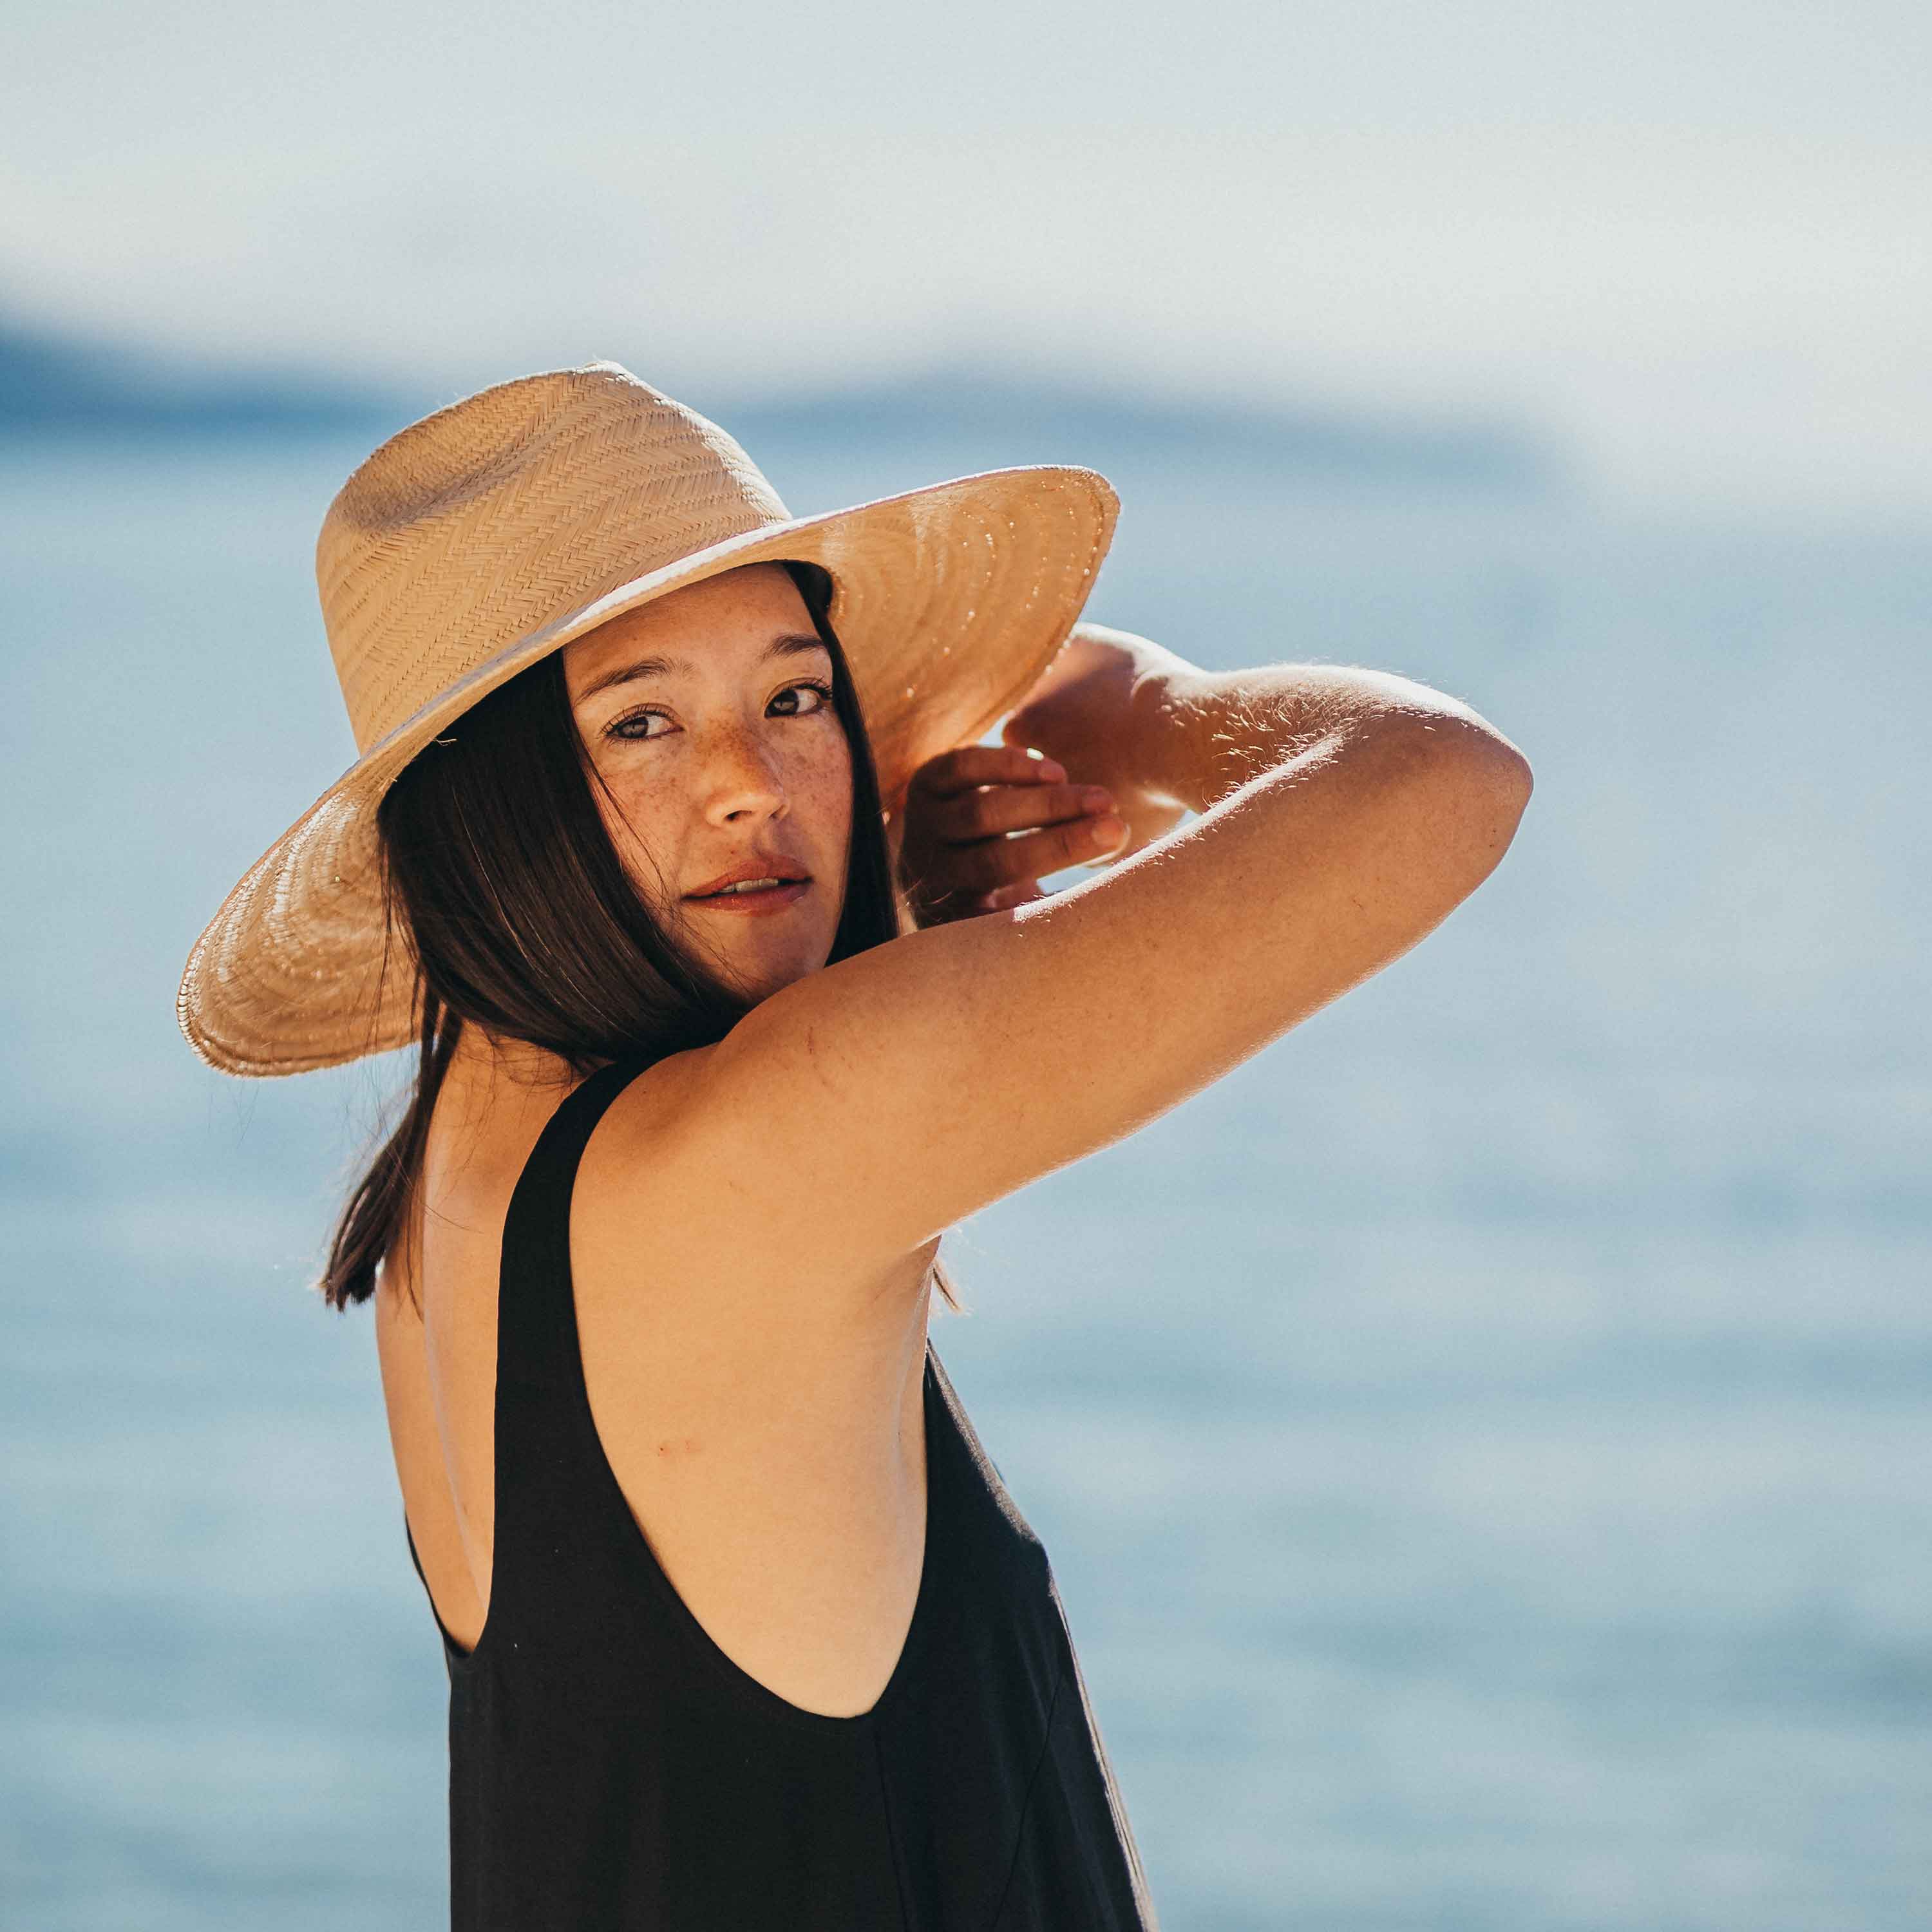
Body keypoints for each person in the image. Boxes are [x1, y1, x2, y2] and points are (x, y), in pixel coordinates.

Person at [176, 359, 1533, 1930]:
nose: (752, 786)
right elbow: (1445, 781)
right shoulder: (747, 1159)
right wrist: (1141, 712)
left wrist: (875, 894)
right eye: (640, 724)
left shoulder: (455, 1191)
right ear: (488, 799)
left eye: (797, 697)